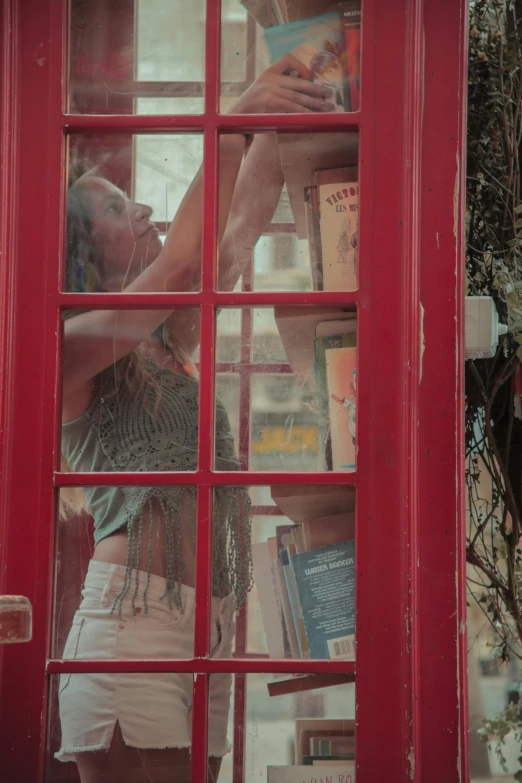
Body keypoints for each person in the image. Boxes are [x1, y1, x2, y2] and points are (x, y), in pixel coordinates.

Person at [56, 55, 335, 783]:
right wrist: (234, 115)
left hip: (206, 627)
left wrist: (284, 107)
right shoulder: (70, 348)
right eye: (117, 207)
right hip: (130, 631)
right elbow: (181, 267)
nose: (142, 210)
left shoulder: (162, 340)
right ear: (81, 253)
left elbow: (230, 243)